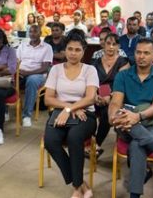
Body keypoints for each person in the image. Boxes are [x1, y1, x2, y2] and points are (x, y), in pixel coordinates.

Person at [108, 38, 153, 198]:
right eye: (138, 52)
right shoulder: (123, 75)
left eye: (146, 53)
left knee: (136, 145)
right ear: (134, 54)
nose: (141, 56)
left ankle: (135, 194)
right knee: (128, 122)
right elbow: (115, 102)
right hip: (127, 124)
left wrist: (138, 116)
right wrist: (113, 116)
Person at [43, 30, 98, 198]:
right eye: (70, 49)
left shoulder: (90, 70)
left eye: (77, 50)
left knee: (75, 137)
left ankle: (76, 188)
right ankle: (80, 183)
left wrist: (70, 109)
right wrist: (68, 107)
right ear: (64, 49)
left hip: (85, 114)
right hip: (61, 111)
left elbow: (90, 98)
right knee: (50, 141)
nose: (73, 53)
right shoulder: (56, 70)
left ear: (84, 51)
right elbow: (48, 99)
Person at [90, 33, 129, 157]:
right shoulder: (95, 62)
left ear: (118, 46)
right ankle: (88, 141)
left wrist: (110, 97)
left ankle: (96, 145)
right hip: (96, 95)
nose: (111, 47)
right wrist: (95, 97)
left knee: (107, 112)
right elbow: (90, 82)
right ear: (103, 45)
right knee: (86, 111)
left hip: (116, 96)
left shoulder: (123, 62)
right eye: (108, 43)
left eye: (114, 44)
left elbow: (123, 84)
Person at [17, 25, 53, 127]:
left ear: (40, 33)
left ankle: (26, 116)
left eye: (35, 32)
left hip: (38, 75)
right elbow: (16, 61)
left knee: (32, 81)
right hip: (22, 72)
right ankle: (5, 111)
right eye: (31, 32)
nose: (33, 34)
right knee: (9, 80)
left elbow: (45, 68)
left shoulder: (47, 47)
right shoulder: (23, 45)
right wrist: (18, 72)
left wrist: (27, 73)